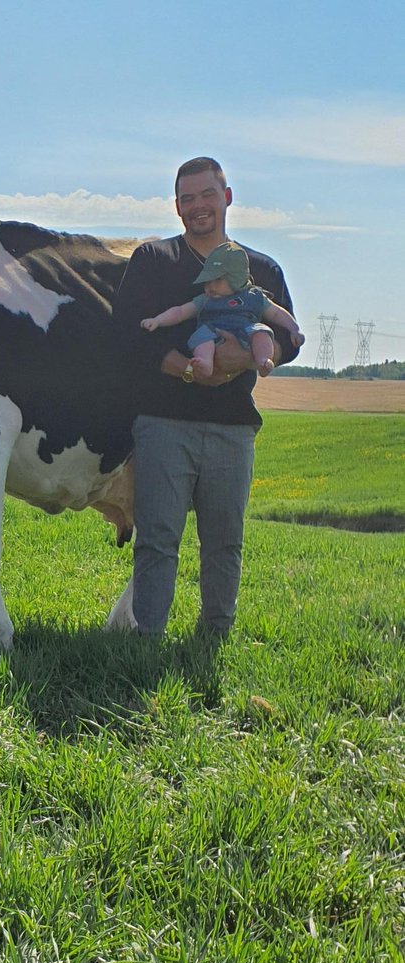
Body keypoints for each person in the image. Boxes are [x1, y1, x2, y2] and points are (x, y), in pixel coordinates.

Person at [112, 156, 301, 638]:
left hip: (233, 428)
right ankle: (146, 638)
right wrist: (190, 372)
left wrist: (248, 358)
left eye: (207, 195)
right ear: (177, 207)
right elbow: (127, 338)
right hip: (162, 424)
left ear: (228, 198)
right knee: (157, 539)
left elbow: (291, 338)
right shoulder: (153, 262)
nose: (199, 206)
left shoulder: (262, 271)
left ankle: (214, 636)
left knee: (224, 543)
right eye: (188, 198)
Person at [141, 240, 304, 378]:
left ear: (237, 278)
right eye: (207, 281)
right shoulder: (205, 300)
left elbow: (276, 313)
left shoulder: (254, 296)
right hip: (213, 331)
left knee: (261, 333)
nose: (210, 286)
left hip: (246, 331)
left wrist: (294, 329)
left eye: (217, 280)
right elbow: (180, 312)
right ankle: (205, 362)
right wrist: (158, 320)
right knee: (202, 338)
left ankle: (263, 360)